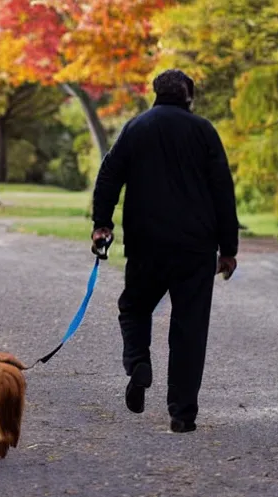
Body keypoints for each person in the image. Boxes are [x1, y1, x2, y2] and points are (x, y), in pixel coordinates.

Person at [91, 69, 239, 433]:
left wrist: (102, 223)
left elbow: (109, 175)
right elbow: (223, 190)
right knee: (189, 327)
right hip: (195, 246)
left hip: (146, 243)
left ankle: (139, 362)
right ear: (189, 96)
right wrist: (229, 248)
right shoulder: (204, 131)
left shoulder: (136, 128)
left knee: (134, 307)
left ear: (155, 93)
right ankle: (182, 414)